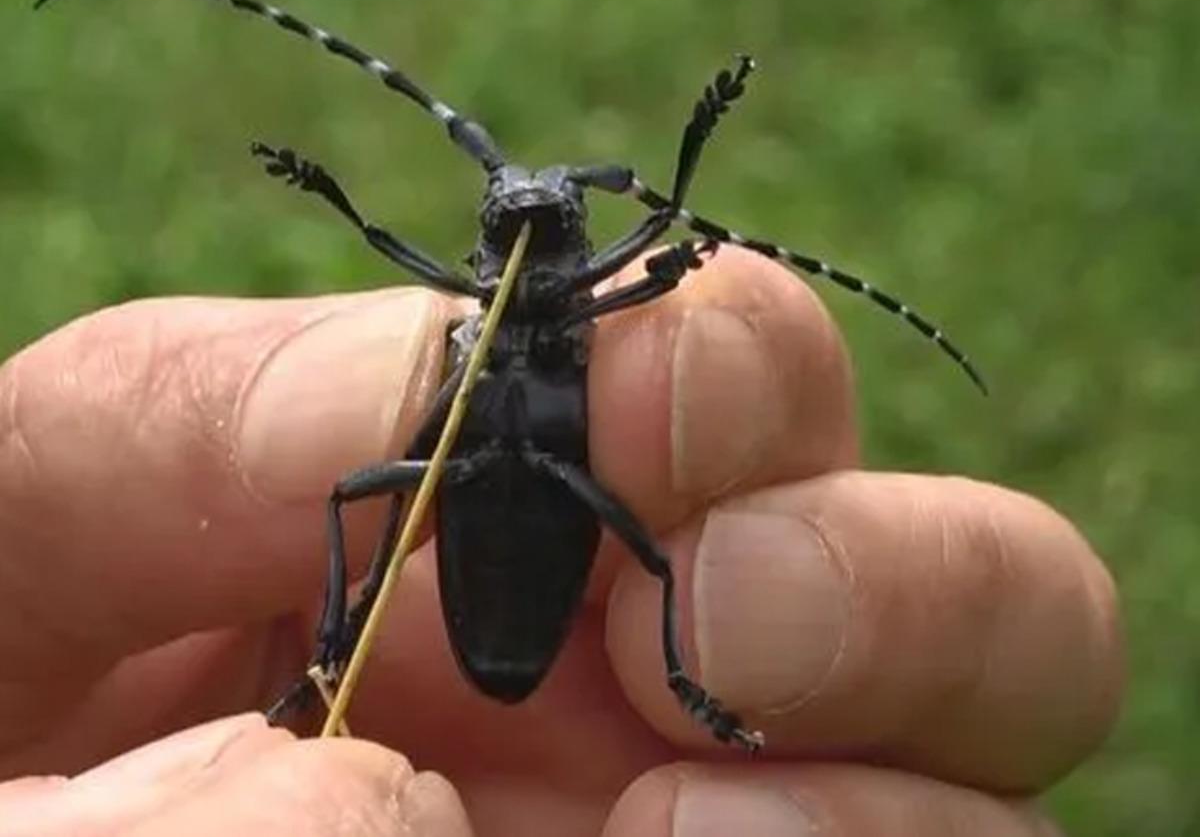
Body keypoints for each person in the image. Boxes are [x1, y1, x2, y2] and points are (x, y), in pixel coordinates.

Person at [0, 250, 1121, 836]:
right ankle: (333, 652)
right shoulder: (478, 324)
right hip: (513, 520)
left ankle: (684, 666)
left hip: (539, 539)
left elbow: (660, 268)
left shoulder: (593, 321)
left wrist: (683, 256)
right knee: (357, 482)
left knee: (646, 541)